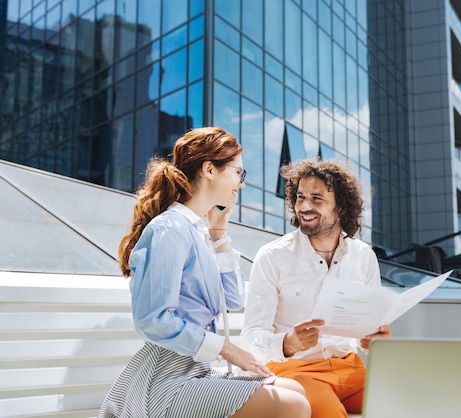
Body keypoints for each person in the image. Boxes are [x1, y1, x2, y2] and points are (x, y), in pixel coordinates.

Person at [99, 127, 311, 418]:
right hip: (168, 378)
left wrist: (219, 231)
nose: (241, 183)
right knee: (292, 405)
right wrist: (226, 348)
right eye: (238, 173)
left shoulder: (198, 231)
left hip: (197, 369)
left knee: (296, 391)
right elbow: (152, 320)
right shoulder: (168, 229)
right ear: (209, 169)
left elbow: (234, 300)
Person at [241, 159, 392, 418]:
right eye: (300, 197)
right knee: (330, 413)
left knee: (406, 402)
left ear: (341, 207)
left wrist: (374, 341)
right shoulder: (272, 256)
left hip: (351, 369)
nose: (305, 206)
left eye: (317, 199)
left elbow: (367, 330)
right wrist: (287, 343)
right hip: (296, 371)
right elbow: (250, 338)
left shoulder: (363, 256)